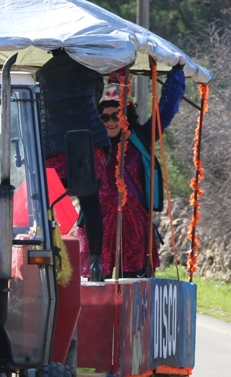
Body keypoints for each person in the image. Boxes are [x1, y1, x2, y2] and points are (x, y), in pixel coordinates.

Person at [95, 63, 186, 277]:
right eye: (104, 117)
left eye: (115, 116)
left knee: (134, 285)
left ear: (126, 116)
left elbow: (165, 109)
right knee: (95, 285)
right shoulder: (93, 143)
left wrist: (176, 75)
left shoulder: (142, 139)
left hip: (134, 227)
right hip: (97, 225)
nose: (110, 122)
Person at [35, 48, 111, 281]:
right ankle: (96, 261)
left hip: (53, 144)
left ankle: (43, 253)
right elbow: (96, 95)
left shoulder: (43, 73)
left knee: (44, 204)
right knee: (90, 201)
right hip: (87, 140)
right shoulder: (91, 64)